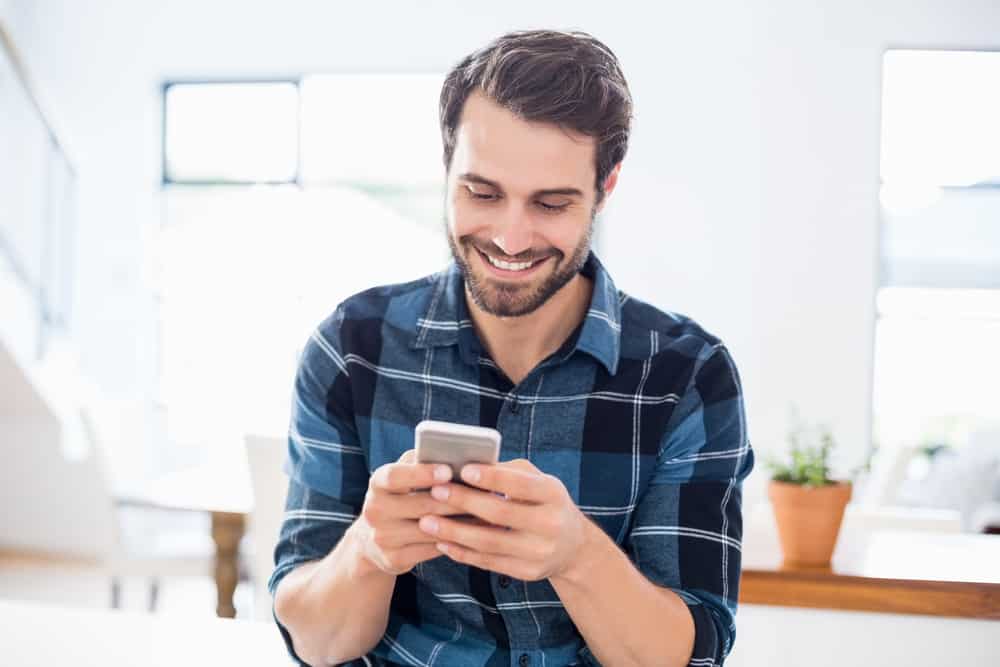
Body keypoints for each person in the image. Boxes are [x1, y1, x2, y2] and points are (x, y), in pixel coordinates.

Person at [270, 29, 755, 667]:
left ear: (605, 188)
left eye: (551, 203)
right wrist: (369, 549)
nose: (511, 236)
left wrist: (578, 555)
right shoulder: (352, 349)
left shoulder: (688, 376)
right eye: (483, 193)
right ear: (446, 170)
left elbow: (686, 656)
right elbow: (314, 640)